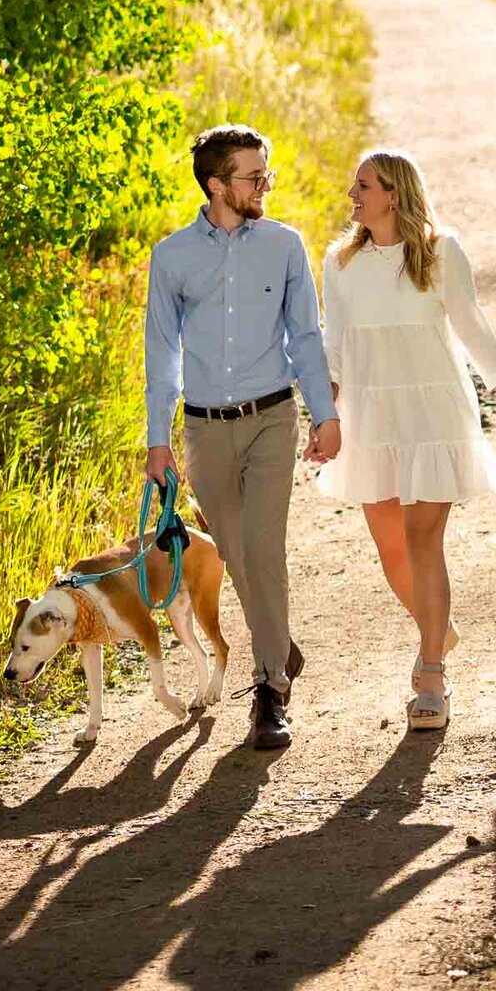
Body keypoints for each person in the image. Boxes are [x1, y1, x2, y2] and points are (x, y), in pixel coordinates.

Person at [316, 149, 496, 730]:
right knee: (390, 548)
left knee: (424, 543)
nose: (353, 194)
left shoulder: (442, 252)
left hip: (432, 412)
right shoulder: (340, 261)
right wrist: (326, 415)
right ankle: (438, 630)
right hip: (372, 415)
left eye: (364, 185)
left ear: (393, 193)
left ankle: (431, 676)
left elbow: (471, 325)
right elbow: (336, 344)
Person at [144, 124, 339, 753]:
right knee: (233, 552)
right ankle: (276, 637)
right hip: (203, 429)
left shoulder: (285, 246)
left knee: (263, 548)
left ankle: (270, 689)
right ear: (217, 184)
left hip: (271, 419)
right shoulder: (172, 257)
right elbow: (161, 353)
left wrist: (324, 412)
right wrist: (157, 439)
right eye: (254, 177)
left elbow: (305, 336)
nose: (265, 186)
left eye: (266, 175)